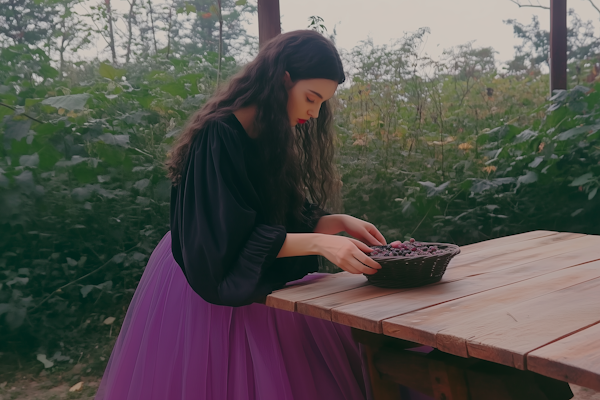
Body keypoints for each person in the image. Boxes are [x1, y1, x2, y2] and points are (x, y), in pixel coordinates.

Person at [94, 30, 390, 400]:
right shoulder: (217, 135)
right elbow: (229, 239)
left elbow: (269, 215)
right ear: (283, 79)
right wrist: (320, 243)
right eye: (310, 98)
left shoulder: (269, 133)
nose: (313, 113)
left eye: (321, 104)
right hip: (203, 269)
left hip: (251, 272)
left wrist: (333, 222)